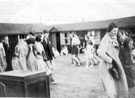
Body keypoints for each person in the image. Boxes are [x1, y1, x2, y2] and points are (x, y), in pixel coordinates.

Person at [97, 22, 129, 98]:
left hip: (115, 64)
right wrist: (110, 60)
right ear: (109, 30)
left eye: (116, 31)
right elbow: (100, 52)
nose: (115, 33)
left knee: (117, 84)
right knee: (110, 87)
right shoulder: (105, 39)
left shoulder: (113, 37)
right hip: (107, 66)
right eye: (114, 31)